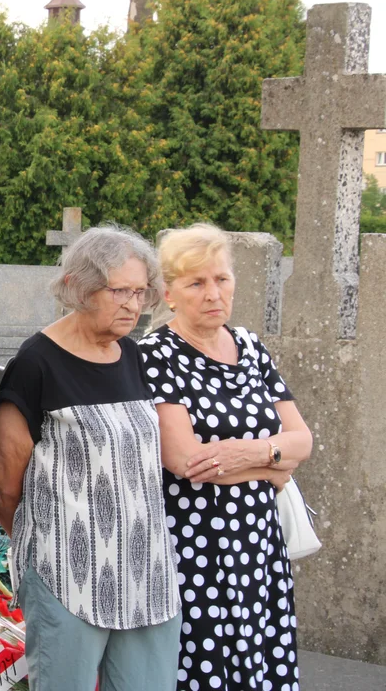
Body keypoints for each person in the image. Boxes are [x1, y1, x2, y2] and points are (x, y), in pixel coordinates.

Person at [0, 225, 182, 691]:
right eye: (119, 290)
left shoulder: (132, 356)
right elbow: (6, 483)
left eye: (140, 292)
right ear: (79, 286)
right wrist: (51, 545)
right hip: (67, 575)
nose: (133, 305)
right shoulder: (37, 363)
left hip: (145, 570)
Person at [139, 223, 312, 691]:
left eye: (222, 278)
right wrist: (272, 467)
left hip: (258, 542)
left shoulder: (252, 348)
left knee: (263, 661)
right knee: (207, 669)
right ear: (169, 293)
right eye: (197, 282)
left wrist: (249, 452)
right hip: (197, 547)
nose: (213, 293)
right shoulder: (157, 355)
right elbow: (186, 461)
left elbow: (302, 440)